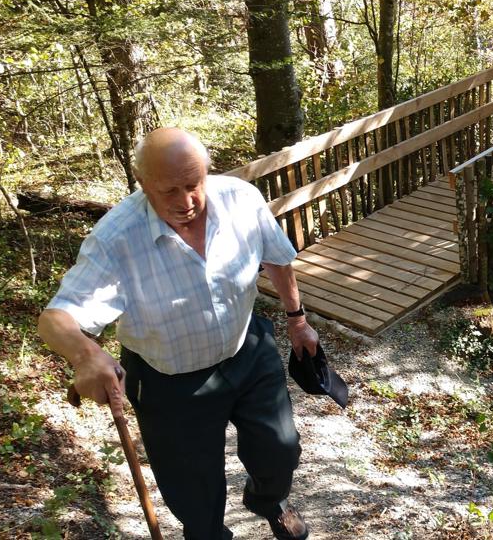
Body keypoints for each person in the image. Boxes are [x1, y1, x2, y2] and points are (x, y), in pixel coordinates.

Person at [38, 127, 317, 540]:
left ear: (207, 172)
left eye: (194, 184)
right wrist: (85, 355)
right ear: (142, 184)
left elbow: (277, 258)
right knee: (193, 488)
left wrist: (297, 319)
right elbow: (57, 317)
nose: (186, 202)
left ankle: (267, 501)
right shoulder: (117, 239)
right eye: (170, 190)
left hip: (247, 350)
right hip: (168, 379)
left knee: (280, 449)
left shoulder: (240, 199)